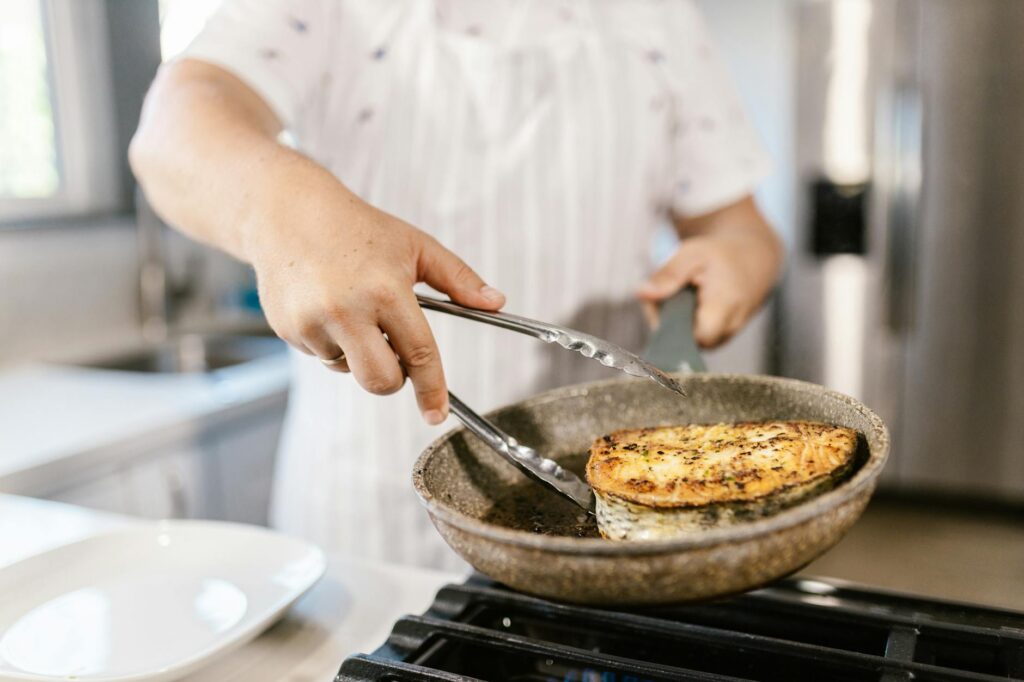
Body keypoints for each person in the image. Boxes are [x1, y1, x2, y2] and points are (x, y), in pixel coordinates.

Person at [130, 0, 783, 570]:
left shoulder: (658, 17)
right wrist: (285, 212)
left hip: (611, 518)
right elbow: (174, 128)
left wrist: (734, 260)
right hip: (374, 528)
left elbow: (740, 227)